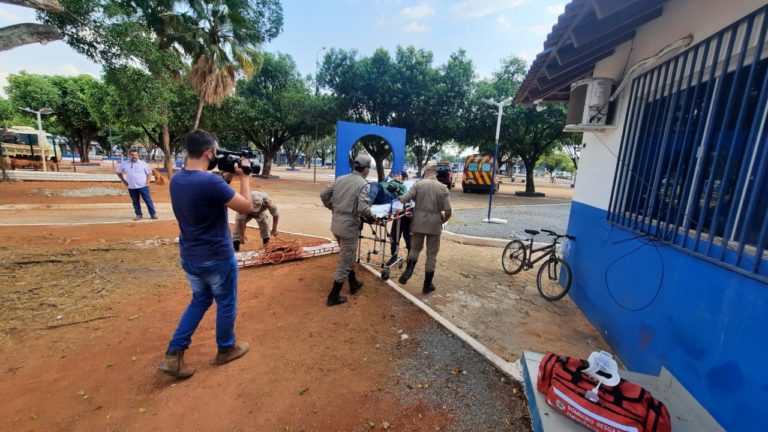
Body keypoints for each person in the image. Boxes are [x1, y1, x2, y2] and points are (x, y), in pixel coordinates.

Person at [156, 130, 254, 378]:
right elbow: (246, 206)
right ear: (209, 152)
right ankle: (226, 348)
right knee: (226, 302)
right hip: (217, 256)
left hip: (190, 256)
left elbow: (210, 191)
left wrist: (228, 176)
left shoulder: (178, 179)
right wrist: (245, 176)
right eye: (217, 151)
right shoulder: (210, 183)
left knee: (200, 300)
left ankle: (173, 355)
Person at [320, 154, 376, 307]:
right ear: (365, 169)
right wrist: (372, 218)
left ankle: (353, 283)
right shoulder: (364, 184)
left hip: (336, 225)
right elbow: (364, 208)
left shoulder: (341, 179)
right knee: (346, 260)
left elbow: (324, 194)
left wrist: (333, 207)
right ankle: (333, 296)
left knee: (347, 254)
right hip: (350, 227)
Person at [397, 166, 452, 294]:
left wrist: (398, 197)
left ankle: (408, 271)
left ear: (426, 173)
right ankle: (427, 284)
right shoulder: (443, 188)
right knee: (431, 254)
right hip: (434, 224)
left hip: (418, 222)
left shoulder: (418, 184)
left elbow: (404, 199)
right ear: (436, 174)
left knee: (415, 248)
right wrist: (443, 219)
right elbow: (448, 210)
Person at [116, 149, 157, 220]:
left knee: (148, 200)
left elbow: (149, 173)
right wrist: (124, 180)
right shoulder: (124, 164)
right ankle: (138, 214)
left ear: (138, 155)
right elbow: (118, 172)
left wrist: (147, 183)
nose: (134, 156)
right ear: (129, 155)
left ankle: (153, 214)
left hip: (143, 186)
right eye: (132, 155)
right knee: (135, 201)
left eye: (135, 155)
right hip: (131, 187)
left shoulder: (143, 164)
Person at [383, 171, 411, 266]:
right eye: (397, 175)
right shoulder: (394, 185)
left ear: (404, 178)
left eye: (399, 175)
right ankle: (394, 256)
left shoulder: (403, 187)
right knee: (394, 236)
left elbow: (407, 199)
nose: (397, 176)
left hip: (406, 216)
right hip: (397, 215)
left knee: (407, 237)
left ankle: (410, 256)